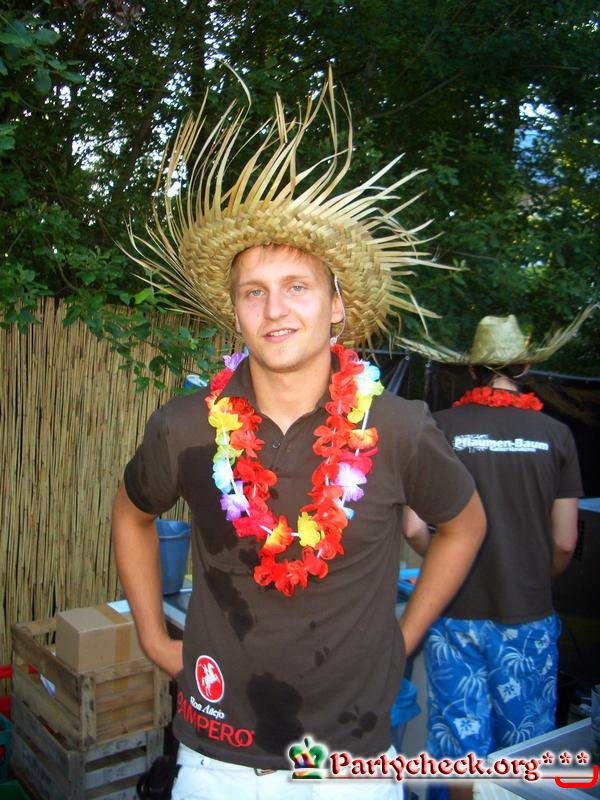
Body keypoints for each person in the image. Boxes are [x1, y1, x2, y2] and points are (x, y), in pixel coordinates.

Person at [112, 69, 486, 800]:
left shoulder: (399, 427)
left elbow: (465, 526)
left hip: (353, 760)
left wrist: (403, 637)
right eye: (254, 292)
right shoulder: (185, 425)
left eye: (297, 287)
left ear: (337, 306)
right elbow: (131, 515)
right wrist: (154, 637)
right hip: (218, 758)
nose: (275, 310)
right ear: (236, 312)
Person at [401, 311, 593, 800]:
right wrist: (531, 580)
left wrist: (447, 565)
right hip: (527, 616)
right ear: (525, 368)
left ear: (471, 370)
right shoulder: (556, 435)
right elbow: (565, 542)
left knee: (459, 751)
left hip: (453, 614)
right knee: (524, 756)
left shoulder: (439, 427)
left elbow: (412, 527)